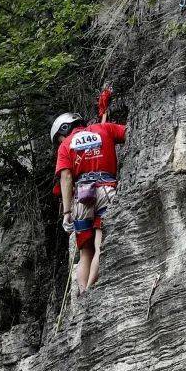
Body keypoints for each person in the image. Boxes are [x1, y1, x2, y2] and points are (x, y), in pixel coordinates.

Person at [51, 97, 127, 295]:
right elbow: (129, 132)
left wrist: (67, 212)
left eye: (59, 137)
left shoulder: (65, 145)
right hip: (106, 189)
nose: (60, 141)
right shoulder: (105, 129)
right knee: (100, 244)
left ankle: (84, 291)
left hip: (82, 197)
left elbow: (66, 177)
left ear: (64, 130)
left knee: (85, 251)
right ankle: (93, 287)